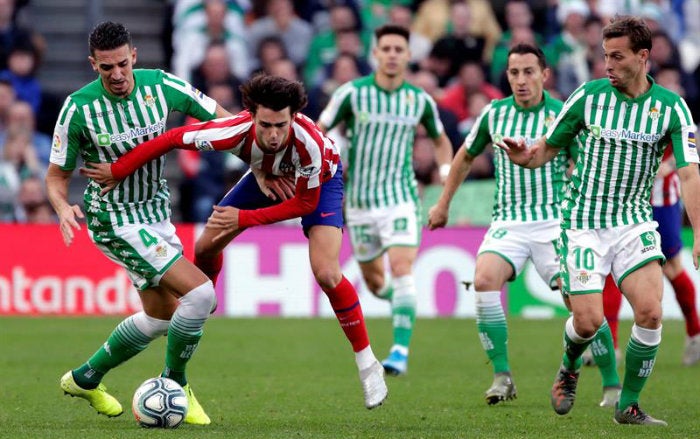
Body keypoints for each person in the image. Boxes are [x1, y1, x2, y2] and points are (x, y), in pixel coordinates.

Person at [81, 74, 389, 410]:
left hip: (319, 187)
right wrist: (119, 168)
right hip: (264, 179)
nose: (273, 135)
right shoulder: (230, 130)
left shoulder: (311, 143)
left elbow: (304, 204)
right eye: (266, 125)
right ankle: (201, 307)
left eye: (281, 126)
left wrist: (242, 219)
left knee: (327, 273)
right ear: (252, 116)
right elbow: (171, 139)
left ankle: (367, 364)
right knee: (204, 247)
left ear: (294, 118)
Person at [497, 16, 700, 426]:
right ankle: (569, 365)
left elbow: (690, 172)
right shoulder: (587, 97)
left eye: (617, 57)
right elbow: (547, 149)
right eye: (604, 55)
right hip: (583, 222)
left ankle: (628, 405)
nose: (607, 64)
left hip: (634, 222)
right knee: (588, 321)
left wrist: (698, 231)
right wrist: (526, 156)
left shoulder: (673, 107)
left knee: (650, 312)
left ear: (644, 58)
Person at [45, 21, 231, 425]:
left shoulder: (160, 85)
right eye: (106, 67)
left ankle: (84, 378)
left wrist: (254, 146)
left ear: (134, 57)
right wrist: (61, 207)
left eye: (122, 65)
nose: (116, 75)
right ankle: (175, 384)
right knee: (200, 297)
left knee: (162, 317)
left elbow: (221, 118)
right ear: (93, 64)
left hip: (156, 213)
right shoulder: (79, 108)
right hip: (114, 219)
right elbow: (56, 175)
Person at [428, 43, 620, 407]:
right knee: (484, 279)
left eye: (529, 72)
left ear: (544, 75)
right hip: (509, 221)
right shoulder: (494, 114)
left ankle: (610, 384)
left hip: (556, 222)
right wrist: (443, 203)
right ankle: (502, 377)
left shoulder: (563, 113)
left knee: (582, 304)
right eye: (514, 73)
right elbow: (465, 157)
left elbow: (585, 165)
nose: (520, 80)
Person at [317, 24, 454, 376]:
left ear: (408, 56)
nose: (393, 54)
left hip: (401, 198)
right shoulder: (351, 94)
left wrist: (443, 169)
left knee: (402, 267)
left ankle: (399, 352)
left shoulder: (419, 100)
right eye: (387, 48)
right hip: (360, 204)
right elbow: (321, 127)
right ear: (375, 54)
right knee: (378, 285)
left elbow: (440, 140)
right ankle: (403, 305)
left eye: (399, 49)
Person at [598, 142, 700, 366]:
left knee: (672, 267)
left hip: (661, 200)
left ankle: (695, 335)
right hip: (622, 203)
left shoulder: (672, 107)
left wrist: (669, 164)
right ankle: (611, 347)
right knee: (612, 265)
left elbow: (692, 141)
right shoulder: (613, 109)